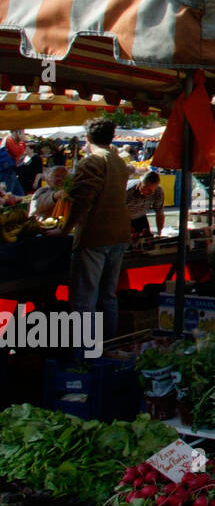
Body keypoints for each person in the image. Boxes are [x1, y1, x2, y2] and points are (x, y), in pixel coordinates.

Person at [53, 119, 131, 341]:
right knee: (107, 295)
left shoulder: (92, 162)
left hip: (96, 234)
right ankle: (107, 346)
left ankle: (83, 355)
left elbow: (82, 201)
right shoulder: (118, 162)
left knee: (84, 300)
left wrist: (64, 229)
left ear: (87, 138)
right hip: (119, 233)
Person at [125, 171, 167, 237]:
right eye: (148, 189)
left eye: (154, 189)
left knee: (146, 240)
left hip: (141, 217)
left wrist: (159, 232)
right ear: (140, 184)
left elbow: (160, 213)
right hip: (124, 218)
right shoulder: (127, 191)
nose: (151, 192)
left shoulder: (158, 191)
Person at [0, 130, 27, 196]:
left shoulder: (9, 140)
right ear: (16, 132)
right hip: (7, 170)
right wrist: (22, 142)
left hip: (10, 170)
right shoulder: (9, 140)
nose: (24, 135)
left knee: (19, 193)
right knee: (8, 194)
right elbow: (17, 152)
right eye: (22, 133)